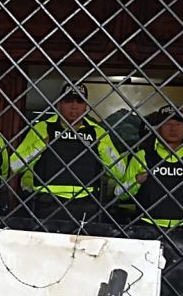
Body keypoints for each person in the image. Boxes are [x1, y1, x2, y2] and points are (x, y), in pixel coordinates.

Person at [10, 83, 127, 224]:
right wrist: (41, 145)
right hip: (47, 204)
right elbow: (15, 165)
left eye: (79, 101)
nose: (74, 106)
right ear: (59, 104)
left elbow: (120, 172)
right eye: (69, 101)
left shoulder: (97, 132)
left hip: (86, 205)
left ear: (86, 106)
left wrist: (101, 148)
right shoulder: (42, 128)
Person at [121, 106, 183, 229]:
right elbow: (119, 194)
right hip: (146, 227)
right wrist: (135, 182)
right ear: (158, 128)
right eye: (167, 124)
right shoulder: (141, 156)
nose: (173, 128)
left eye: (178, 124)